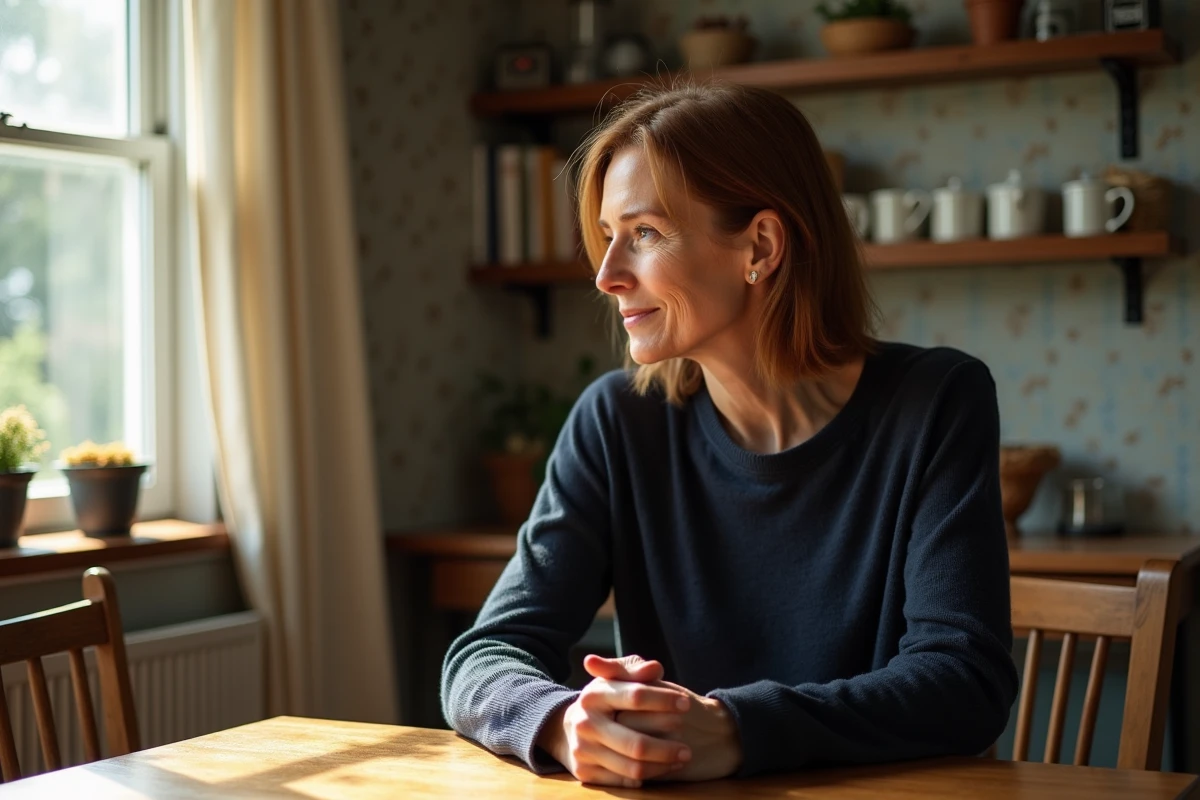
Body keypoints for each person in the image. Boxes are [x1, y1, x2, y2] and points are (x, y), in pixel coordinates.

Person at [441, 82, 1017, 789]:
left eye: (644, 233)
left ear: (762, 246)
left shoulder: (936, 403)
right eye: (608, 236)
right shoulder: (617, 421)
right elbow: (484, 655)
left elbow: (964, 683)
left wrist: (736, 728)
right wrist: (564, 721)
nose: (606, 274)